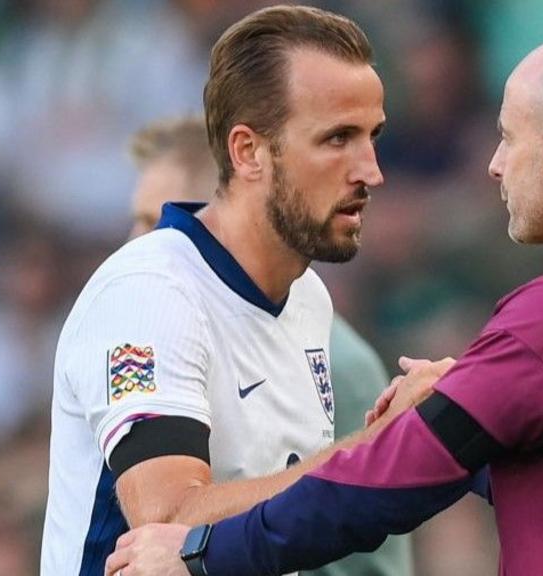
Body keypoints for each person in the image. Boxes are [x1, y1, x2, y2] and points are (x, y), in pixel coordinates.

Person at [106, 32, 543, 576]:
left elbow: (386, 483)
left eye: (507, 136)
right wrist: (477, 418)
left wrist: (202, 555)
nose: (494, 164)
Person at [40, 6, 417, 575]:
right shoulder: (151, 293)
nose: (371, 170)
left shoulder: (308, 298)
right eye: (338, 138)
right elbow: (170, 518)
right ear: (247, 152)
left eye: (372, 136)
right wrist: (379, 449)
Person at [123, 115, 412, 576]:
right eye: (134, 221)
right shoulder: (150, 330)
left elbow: (352, 554)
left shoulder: (337, 361)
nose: (135, 243)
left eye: (153, 220)